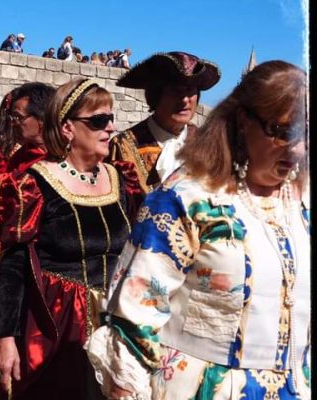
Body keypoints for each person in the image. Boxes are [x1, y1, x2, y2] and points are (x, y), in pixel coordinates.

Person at [86, 60, 309, 400]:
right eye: (280, 131)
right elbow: (135, 320)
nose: (297, 149)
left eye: (305, 132)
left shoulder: (302, 202)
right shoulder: (185, 195)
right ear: (242, 122)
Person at [0, 78, 139, 399]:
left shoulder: (120, 179)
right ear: (68, 128)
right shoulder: (37, 183)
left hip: (115, 321)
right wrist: (5, 339)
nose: (109, 128)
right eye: (98, 121)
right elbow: (14, 265)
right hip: (56, 323)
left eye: (111, 119)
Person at [107, 51, 220, 194]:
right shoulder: (124, 147)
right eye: (175, 91)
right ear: (156, 96)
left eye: (190, 90)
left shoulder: (206, 143)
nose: (185, 100)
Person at [0, 82, 56, 264]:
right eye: (11, 117)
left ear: (41, 118)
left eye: (18, 117)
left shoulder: (62, 159)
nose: (13, 124)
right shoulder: (20, 156)